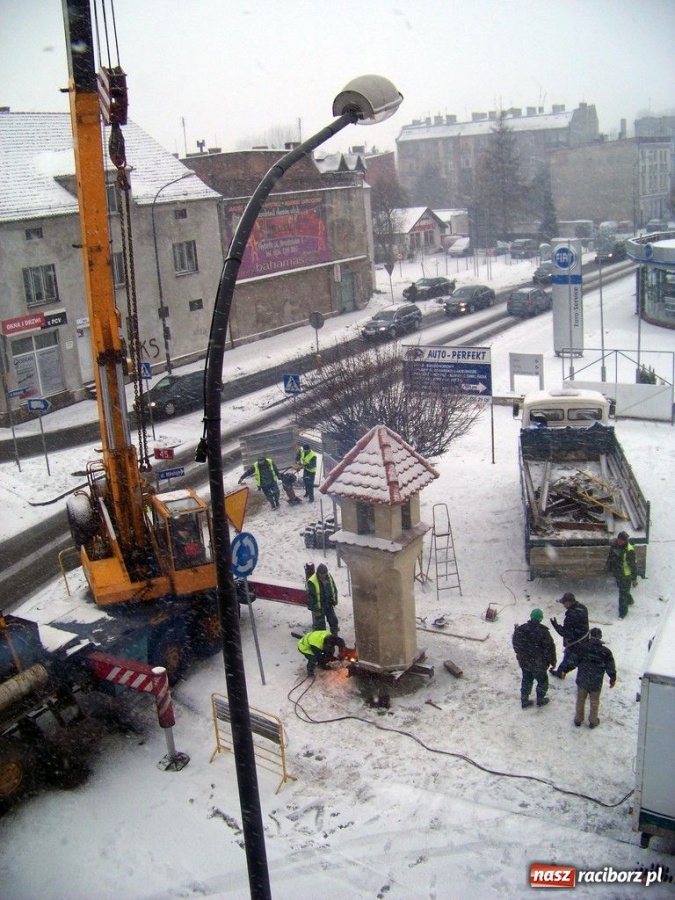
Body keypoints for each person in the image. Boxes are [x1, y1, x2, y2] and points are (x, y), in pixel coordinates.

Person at [571, 627, 617, 728]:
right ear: (600, 637)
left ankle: (578, 719)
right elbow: (610, 666)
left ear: (590, 635)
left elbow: (574, 661)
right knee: (594, 702)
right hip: (596, 681)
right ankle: (593, 720)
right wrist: (612, 678)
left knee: (580, 699)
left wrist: (566, 670)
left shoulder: (582, 647)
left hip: (582, 678)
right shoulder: (605, 651)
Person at [512, 608, 557, 709]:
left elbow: (516, 643)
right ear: (540, 619)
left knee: (527, 679)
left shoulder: (522, 629)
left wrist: (519, 654)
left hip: (525, 661)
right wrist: (553, 661)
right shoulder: (544, 633)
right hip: (539, 663)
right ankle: (540, 699)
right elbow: (550, 648)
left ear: (531, 616)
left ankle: (524, 699)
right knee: (542, 681)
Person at [549, 592, 589, 679]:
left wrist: (556, 626)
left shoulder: (572, 614)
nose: (563, 605)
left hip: (574, 642)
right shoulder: (583, 608)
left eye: (564, 603)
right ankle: (561, 672)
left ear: (569, 602)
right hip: (584, 639)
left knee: (570, 659)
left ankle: (561, 672)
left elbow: (566, 633)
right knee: (576, 659)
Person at [606, 531, 638, 619]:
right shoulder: (614, 546)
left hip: (626, 575)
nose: (621, 542)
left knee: (622, 594)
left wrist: (634, 578)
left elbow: (633, 565)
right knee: (623, 590)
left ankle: (622, 613)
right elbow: (610, 557)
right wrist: (608, 568)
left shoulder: (629, 550)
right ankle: (630, 601)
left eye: (623, 540)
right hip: (617, 574)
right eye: (619, 540)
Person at [306, 563, 339, 635]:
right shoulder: (312, 581)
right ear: (318, 573)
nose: (324, 576)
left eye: (325, 574)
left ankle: (334, 635)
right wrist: (315, 609)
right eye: (322, 574)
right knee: (320, 626)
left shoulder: (329, 576)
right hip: (319, 607)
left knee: (333, 621)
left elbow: (334, 588)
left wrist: (335, 599)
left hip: (328, 603)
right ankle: (322, 640)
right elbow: (310, 597)